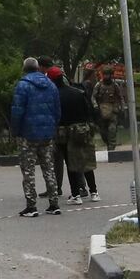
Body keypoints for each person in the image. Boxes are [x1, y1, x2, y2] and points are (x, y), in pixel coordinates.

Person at [10, 57, 62, 216]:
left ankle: (31, 206)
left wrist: (16, 130)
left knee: (28, 171)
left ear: (24, 68)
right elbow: (57, 110)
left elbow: (17, 111)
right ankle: (54, 204)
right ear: (38, 68)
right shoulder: (51, 86)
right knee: (49, 169)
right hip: (47, 134)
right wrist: (53, 127)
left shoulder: (23, 85)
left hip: (28, 133)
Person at [57, 72, 100, 203]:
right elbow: (89, 111)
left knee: (71, 163)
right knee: (86, 162)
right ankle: (94, 192)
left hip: (66, 132)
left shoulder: (56, 95)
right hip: (83, 130)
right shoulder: (79, 93)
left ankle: (75, 194)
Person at [45, 64, 69, 193]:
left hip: (57, 130)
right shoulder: (72, 92)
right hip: (70, 130)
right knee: (71, 159)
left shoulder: (52, 94)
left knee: (57, 160)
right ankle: (81, 187)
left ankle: (56, 187)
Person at [94, 71, 123, 148]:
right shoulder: (98, 85)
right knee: (103, 132)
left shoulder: (115, 86)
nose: (106, 76)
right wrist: (95, 106)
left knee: (112, 130)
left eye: (108, 74)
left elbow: (120, 97)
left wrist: (121, 108)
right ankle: (107, 143)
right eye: (105, 74)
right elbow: (93, 97)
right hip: (102, 111)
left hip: (113, 111)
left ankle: (111, 147)